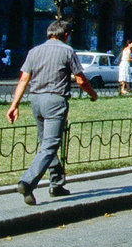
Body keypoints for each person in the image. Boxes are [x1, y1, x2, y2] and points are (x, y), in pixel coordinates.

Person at [6, 19, 97, 205]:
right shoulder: (67, 51)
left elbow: (24, 79)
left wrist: (14, 105)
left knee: (45, 143)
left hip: (36, 100)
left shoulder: (34, 51)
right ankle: (27, 182)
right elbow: (80, 80)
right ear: (66, 35)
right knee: (50, 145)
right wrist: (93, 94)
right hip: (55, 100)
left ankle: (56, 183)